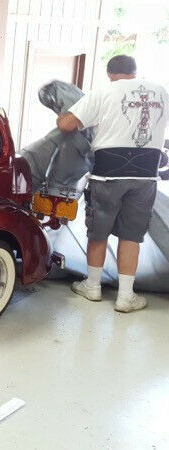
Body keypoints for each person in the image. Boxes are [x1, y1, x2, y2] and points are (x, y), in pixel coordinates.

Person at [56, 55, 168, 313]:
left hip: (108, 174)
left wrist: (62, 117)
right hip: (145, 176)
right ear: (135, 72)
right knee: (132, 235)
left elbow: (67, 125)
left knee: (98, 231)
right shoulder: (161, 91)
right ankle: (126, 296)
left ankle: (92, 287)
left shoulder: (104, 91)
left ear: (110, 74)